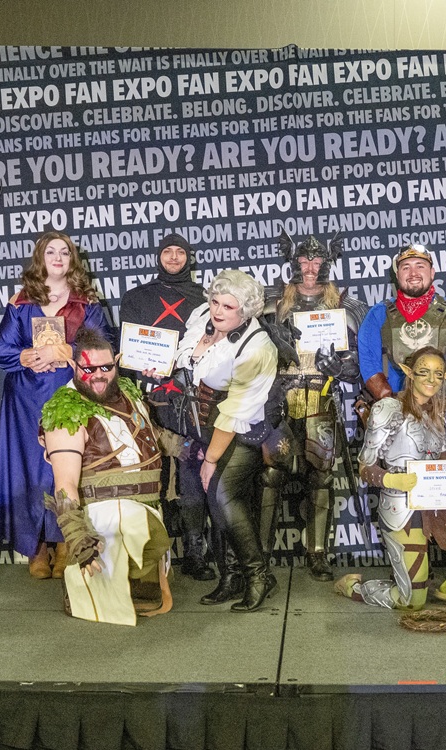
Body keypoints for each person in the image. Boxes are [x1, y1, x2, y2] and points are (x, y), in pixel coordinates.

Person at [335, 347, 446, 610]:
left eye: (438, 375)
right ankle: (354, 586)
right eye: (424, 372)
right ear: (409, 373)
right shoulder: (387, 409)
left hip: (437, 503)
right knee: (411, 602)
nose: (431, 380)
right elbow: (365, 466)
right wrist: (391, 480)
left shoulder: (437, 412)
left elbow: (441, 459)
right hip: (402, 511)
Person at [0, 231, 114, 579]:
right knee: (29, 469)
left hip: (70, 395)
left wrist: (69, 351)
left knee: (66, 468)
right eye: (51, 252)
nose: (58, 257)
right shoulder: (21, 302)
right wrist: (24, 355)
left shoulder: (86, 301)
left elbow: (105, 344)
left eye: (65, 252)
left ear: (72, 259)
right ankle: (36, 548)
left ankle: (66, 543)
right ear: (40, 258)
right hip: (25, 400)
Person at [40, 330, 170, 625]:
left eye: (106, 367)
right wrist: (77, 538)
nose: (98, 376)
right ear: (74, 367)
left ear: (117, 363)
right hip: (110, 520)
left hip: (148, 510)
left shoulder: (128, 391)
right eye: (88, 368)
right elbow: (65, 483)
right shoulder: (66, 411)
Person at [168, 269, 280, 612]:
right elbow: (182, 360)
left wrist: (210, 459)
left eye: (228, 307)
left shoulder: (258, 346)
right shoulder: (201, 316)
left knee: (221, 493)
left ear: (245, 312)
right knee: (214, 500)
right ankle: (231, 577)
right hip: (204, 426)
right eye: (215, 301)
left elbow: (235, 411)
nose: (218, 311)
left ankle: (258, 575)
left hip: (247, 428)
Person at [259, 232, 365, 581]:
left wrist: (345, 368)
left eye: (316, 261)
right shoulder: (271, 300)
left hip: (321, 395)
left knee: (321, 476)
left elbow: (363, 359)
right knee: (271, 474)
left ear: (327, 264)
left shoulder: (344, 302)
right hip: (281, 397)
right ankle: (259, 555)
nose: (309, 268)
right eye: (304, 260)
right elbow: (244, 345)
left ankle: (317, 552)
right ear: (293, 262)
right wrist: (274, 340)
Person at [119, 233, 211, 579]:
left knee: (190, 477)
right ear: (158, 256)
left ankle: (196, 553)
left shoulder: (205, 300)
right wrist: (137, 366)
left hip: (191, 402)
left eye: (180, 252)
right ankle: (150, 559)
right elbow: (128, 355)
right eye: (167, 252)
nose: (174, 258)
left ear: (189, 257)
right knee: (149, 478)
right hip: (149, 400)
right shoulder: (137, 298)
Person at [357, 244, 446, 456]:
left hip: (440, 411)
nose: (413, 273)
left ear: (432, 273)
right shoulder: (378, 315)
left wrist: (433, 400)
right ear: (397, 275)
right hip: (394, 411)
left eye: (420, 266)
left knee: (443, 476)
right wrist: (392, 403)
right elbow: (369, 362)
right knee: (396, 477)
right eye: (405, 267)